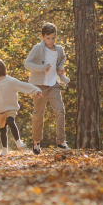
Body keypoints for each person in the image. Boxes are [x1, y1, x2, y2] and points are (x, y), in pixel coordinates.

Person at [25, 22, 70, 153]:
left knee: (60, 110)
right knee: (38, 114)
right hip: (39, 86)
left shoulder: (59, 49)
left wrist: (60, 69)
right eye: (48, 38)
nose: (51, 41)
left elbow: (62, 58)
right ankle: (36, 143)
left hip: (53, 85)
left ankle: (61, 142)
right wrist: (42, 68)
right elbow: (27, 64)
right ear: (43, 37)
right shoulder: (37, 48)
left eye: (53, 38)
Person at [0, 59, 39, 156]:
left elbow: (23, 85)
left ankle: (18, 142)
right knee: (2, 130)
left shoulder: (11, 81)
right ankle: (4, 149)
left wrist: (36, 90)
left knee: (11, 121)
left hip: (10, 108)